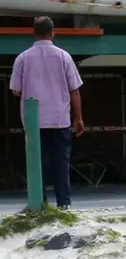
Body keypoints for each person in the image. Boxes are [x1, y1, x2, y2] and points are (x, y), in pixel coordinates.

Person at [10, 16, 85, 209]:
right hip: (60, 119)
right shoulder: (64, 56)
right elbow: (74, 90)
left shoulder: (23, 58)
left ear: (33, 33)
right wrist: (79, 118)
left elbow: (16, 90)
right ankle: (64, 204)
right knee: (61, 163)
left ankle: (39, 204)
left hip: (34, 122)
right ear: (53, 32)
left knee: (36, 164)